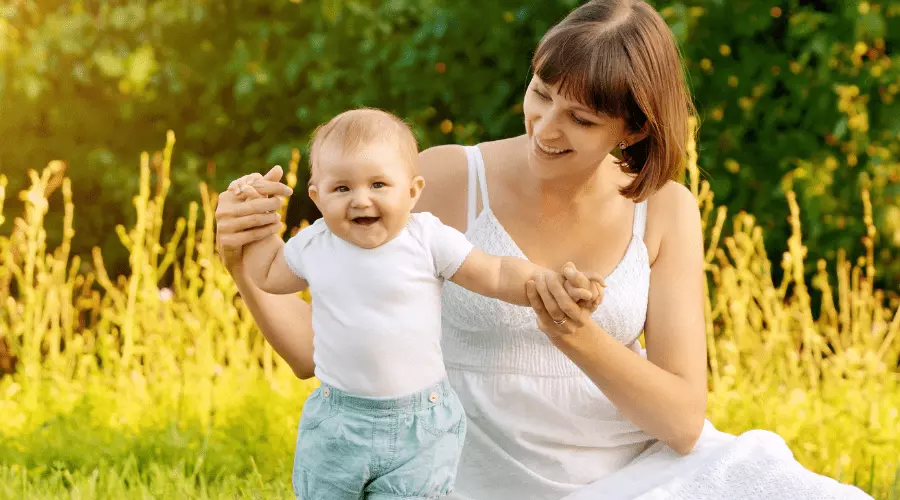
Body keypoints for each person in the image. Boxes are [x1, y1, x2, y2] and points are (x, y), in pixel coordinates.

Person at [214, 1, 873, 499]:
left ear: (634, 125)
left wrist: (577, 335)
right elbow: (313, 353)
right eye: (541, 94)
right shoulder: (445, 180)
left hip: (641, 472)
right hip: (473, 473)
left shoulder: (665, 208)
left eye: (580, 118)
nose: (545, 128)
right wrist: (248, 258)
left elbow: (681, 422)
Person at [237, 107, 603, 499]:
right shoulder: (315, 244)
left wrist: (547, 281)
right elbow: (269, 274)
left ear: (412, 191)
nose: (361, 200)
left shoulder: (426, 238)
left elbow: (495, 273)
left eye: (378, 184)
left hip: (420, 426)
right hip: (337, 422)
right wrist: (255, 215)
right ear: (317, 195)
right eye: (341, 188)